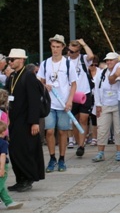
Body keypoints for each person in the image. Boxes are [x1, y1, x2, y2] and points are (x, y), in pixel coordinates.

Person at [37, 34, 78, 173]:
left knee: (62, 131)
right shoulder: (45, 63)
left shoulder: (68, 63)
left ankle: (62, 158)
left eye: (58, 47)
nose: (55, 49)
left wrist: (70, 100)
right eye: (53, 47)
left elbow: (73, 84)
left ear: (62, 47)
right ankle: (52, 157)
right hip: (49, 103)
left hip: (63, 103)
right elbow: (39, 81)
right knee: (49, 131)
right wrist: (44, 86)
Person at [5, 49, 43, 192]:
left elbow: (34, 101)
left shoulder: (29, 76)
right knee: (14, 150)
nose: (10, 62)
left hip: (26, 120)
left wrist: (34, 122)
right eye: (9, 59)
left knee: (24, 150)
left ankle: (28, 178)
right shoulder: (12, 76)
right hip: (14, 119)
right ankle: (19, 178)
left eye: (13, 59)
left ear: (21, 60)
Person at [92, 53, 120, 162]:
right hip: (104, 104)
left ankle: (119, 151)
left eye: (111, 60)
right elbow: (96, 89)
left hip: (117, 104)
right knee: (102, 129)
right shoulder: (101, 73)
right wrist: (98, 104)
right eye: (107, 61)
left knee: (119, 130)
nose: (109, 62)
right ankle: (100, 152)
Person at [66, 39, 95, 157]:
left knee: (83, 119)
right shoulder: (65, 62)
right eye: (69, 50)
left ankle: (81, 145)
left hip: (84, 92)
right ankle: (78, 142)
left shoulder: (82, 59)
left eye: (73, 52)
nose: (70, 53)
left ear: (78, 52)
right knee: (74, 119)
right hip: (71, 94)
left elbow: (91, 55)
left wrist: (84, 44)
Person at [0, 121, 22, 209]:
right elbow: (2, 155)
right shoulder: (3, 143)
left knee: (1, 185)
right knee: (0, 184)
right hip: (2, 166)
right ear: (3, 132)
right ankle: (9, 202)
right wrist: (2, 168)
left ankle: (9, 202)